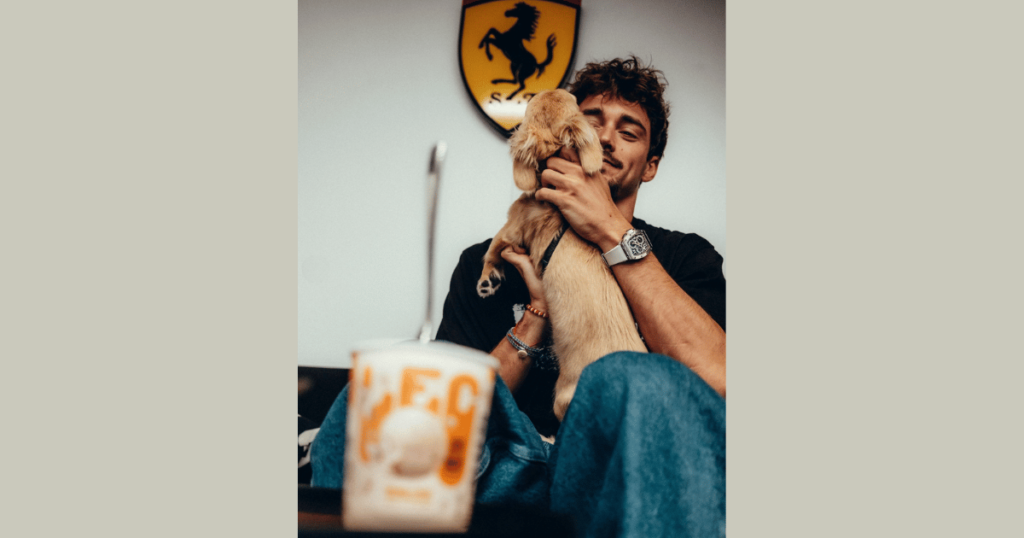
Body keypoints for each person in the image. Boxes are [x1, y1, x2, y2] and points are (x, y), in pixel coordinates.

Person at [312, 57, 726, 538]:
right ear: (564, 138)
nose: (607, 139)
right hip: (510, 465)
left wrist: (610, 229)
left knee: (629, 377)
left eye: (629, 132)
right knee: (374, 391)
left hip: (617, 471)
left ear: (650, 166)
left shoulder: (683, 258)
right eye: (592, 123)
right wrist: (538, 310)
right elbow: (454, 410)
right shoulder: (485, 262)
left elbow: (717, 382)